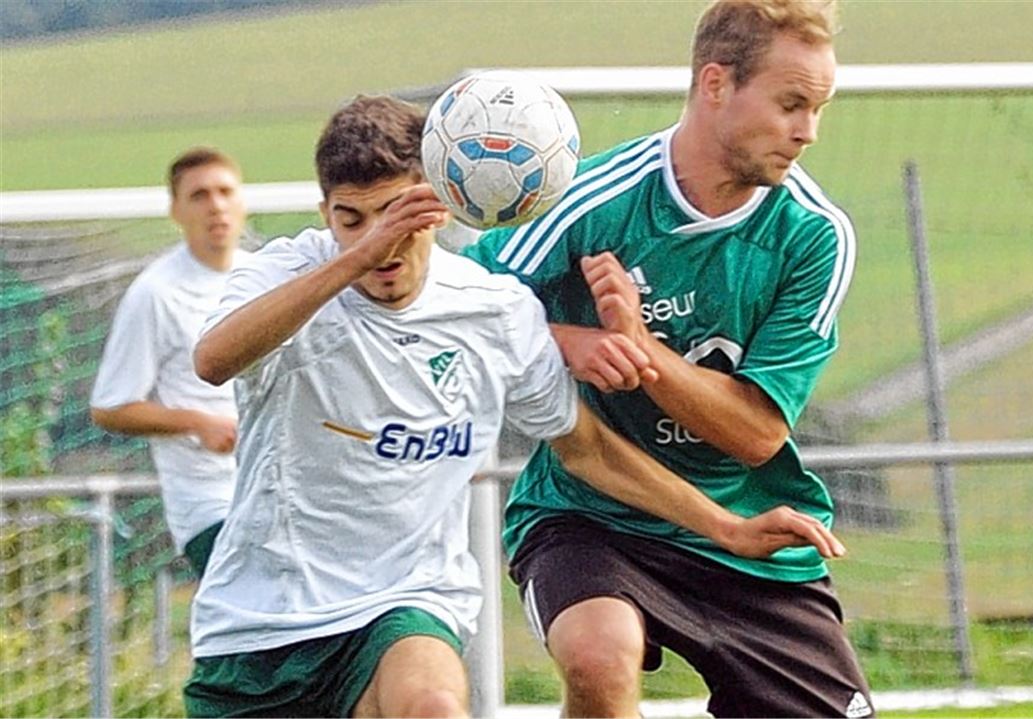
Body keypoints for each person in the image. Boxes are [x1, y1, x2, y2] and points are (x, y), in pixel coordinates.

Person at [182, 94, 842, 718]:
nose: (380, 243)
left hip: (405, 601)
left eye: (396, 215)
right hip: (260, 621)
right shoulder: (285, 273)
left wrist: (725, 525)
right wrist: (351, 259)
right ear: (325, 213)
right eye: (352, 219)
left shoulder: (492, 310)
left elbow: (586, 447)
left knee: (434, 705)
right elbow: (213, 360)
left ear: (437, 206)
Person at [461, 1, 872, 716]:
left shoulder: (814, 237)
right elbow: (463, 308)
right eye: (790, 104)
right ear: (715, 84)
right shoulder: (589, 201)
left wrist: (645, 353)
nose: (807, 132)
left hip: (750, 525)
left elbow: (754, 434)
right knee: (598, 655)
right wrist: (572, 340)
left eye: (818, 109)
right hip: (591, 513)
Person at [90, 147, 247, 577]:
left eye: (225, 191)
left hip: (277, 494)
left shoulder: (263, 280)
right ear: (176, 210)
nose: (215, 204)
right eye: (199, 195)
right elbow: (111, 406)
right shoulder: (156, 292)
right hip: (210, 506)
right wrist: (199, 422)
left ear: (242, 201)